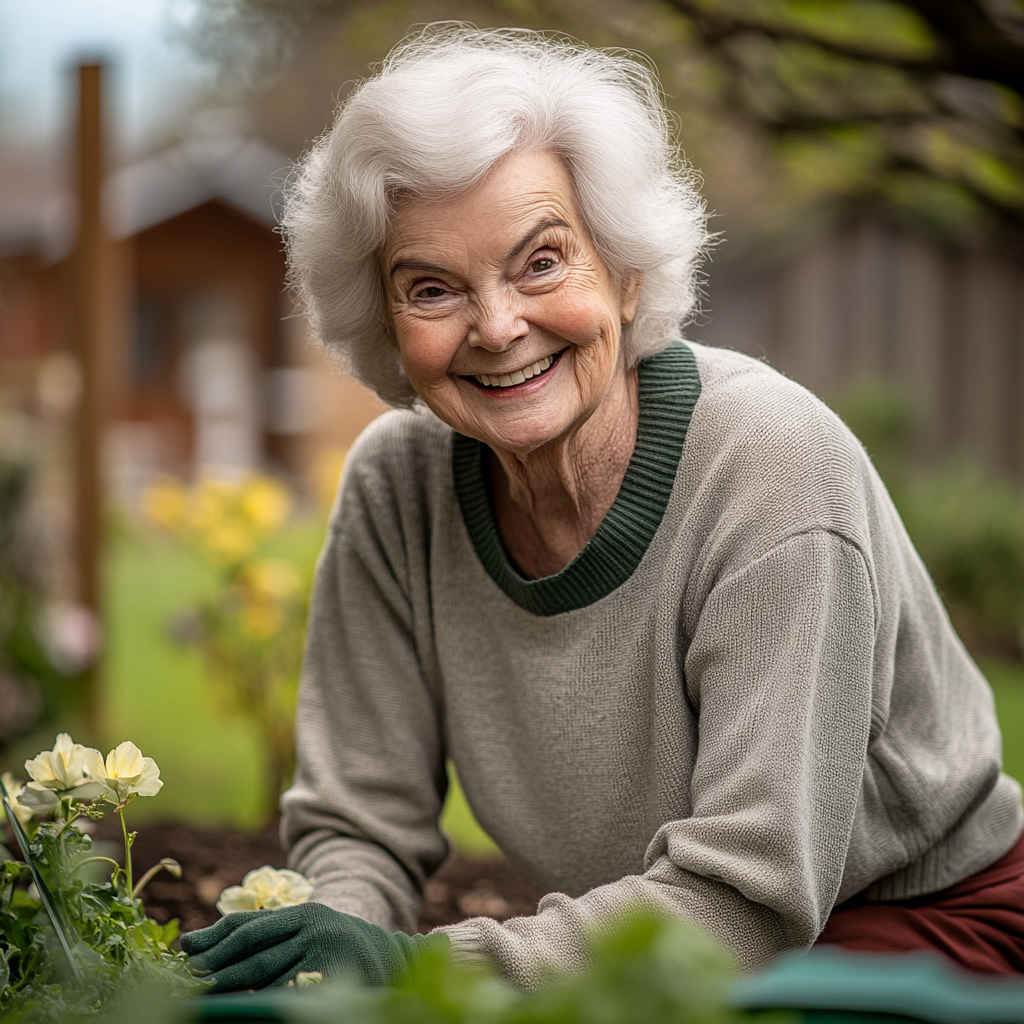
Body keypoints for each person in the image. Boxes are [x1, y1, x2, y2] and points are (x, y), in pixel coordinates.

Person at [180, 26, 1024, 990]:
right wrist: (330, 953)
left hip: (922, 930)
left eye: (541, 261)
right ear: (382, 322)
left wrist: (423, 971)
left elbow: (747, 900)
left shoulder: (773, 472)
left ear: (624, 273)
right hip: (669, 934)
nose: (497, 327)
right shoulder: (395, 487)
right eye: (432, 288)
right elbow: (356, 821)